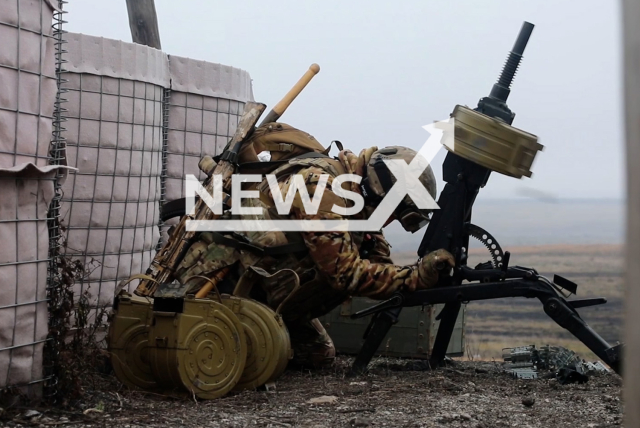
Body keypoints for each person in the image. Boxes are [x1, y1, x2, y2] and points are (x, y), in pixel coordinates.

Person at [173, 144, 455, 368]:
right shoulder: (323, 190)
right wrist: (416, 277)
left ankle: (260, 333)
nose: (390, 222)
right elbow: (346, 274)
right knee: (235, 356)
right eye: (394, 213)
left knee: (317, 354)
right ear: (380, 194)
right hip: (218, 282)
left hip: (263, 287)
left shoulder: (358, 208)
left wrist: (418, 272)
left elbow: (379, 269)